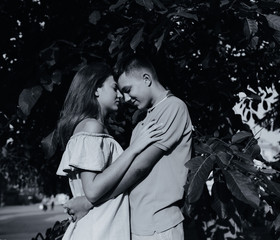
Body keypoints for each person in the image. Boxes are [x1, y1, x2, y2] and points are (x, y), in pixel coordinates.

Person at [64, 55, 193, 240]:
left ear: (147, 79)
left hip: (158, 223)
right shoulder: (142, 120)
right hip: (137, 223)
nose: (124, 98)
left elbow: (140, 167)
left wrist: (90, 201)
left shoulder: (173, 107)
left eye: (127, 89)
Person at [56, 62, 163, 240]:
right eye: (114, 88)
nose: (120, 95)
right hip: (98, 229)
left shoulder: (94, 128)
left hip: (102, 227)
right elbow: (92, 190)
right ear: (96, 89)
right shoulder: (91, 127)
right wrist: (135, 148)